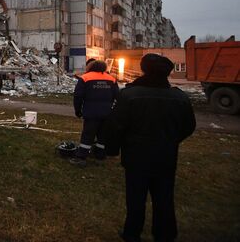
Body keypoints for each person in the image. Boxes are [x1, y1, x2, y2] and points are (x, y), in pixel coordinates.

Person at [105, 54, 196, 242]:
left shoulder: (129, 95)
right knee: (164, 198)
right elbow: (189, 126)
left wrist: (113, 149)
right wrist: (171, 140)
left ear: (144, 69)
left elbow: (116, 125)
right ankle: (165, 234)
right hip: (166, 156)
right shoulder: (179, 97)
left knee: (136, 198)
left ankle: (132, 233)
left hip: (136, 156)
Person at [71, 59, 118, 166]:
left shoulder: (85, 78)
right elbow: (118, 97)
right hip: (107, 113)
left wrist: (78, 110)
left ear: (90, 67)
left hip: (91, 112)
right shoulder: (111, 79)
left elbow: (78, 96)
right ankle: (100, 155)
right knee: (103, 135)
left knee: (88, 135)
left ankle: (81, 157)